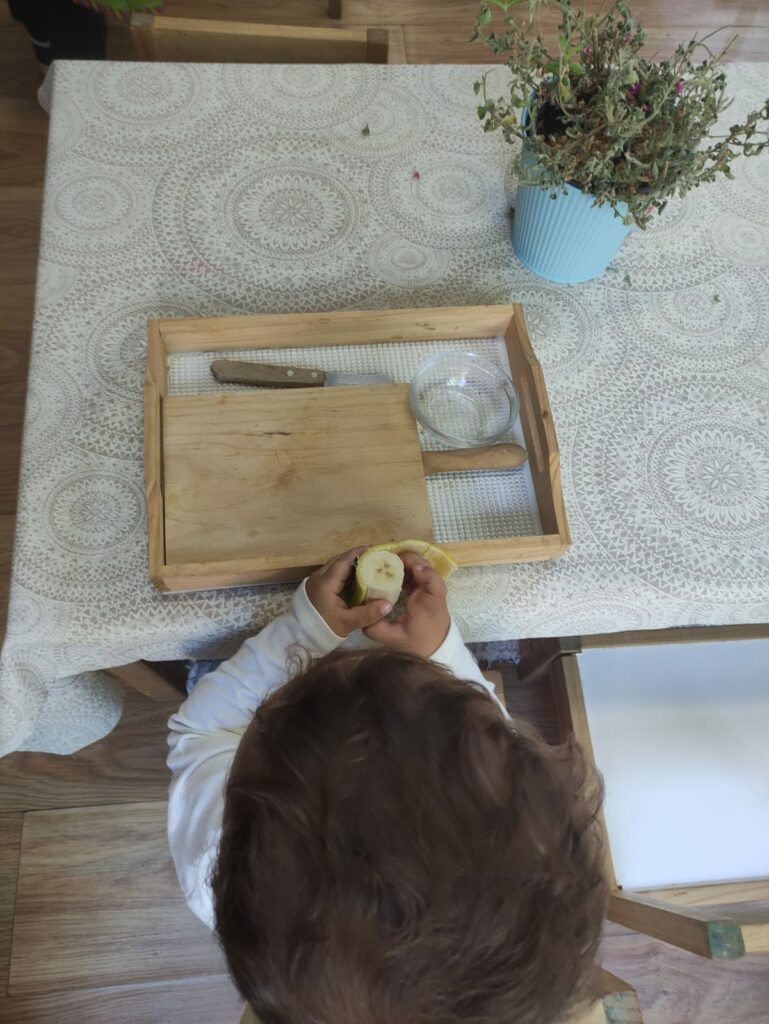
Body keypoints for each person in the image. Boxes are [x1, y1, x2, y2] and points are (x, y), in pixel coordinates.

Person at [168, 548, 607, 1024]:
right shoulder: (530, 843)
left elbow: (200, 732)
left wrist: (304, 631)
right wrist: (441, 650)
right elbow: (489, 735)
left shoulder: (216, 855)